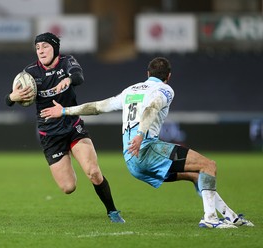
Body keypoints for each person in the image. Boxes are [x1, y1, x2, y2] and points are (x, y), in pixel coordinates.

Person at [40, 57, 254, 228]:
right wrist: (141, 134)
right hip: (147, 149)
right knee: (209, 165)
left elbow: (97, 107)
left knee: (197, 174)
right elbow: (152, 108)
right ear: (168, 76)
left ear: (147, 74)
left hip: (132, 161)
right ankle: (210, 218)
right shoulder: (165, 89)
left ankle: (230, 217)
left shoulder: (131, 90)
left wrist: (65, 110)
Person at [5, 32, 125, 223]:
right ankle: (66, 160)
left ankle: (112, 211)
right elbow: (10, 99)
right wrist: (13, 97)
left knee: (93, 172)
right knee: (68, 187)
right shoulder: (29, 73)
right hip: (50, 135)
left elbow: (78, 76)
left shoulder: (67, 62)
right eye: (37, 48)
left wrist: (68, 80)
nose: (41, 51)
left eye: (45, 46)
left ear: (55, 48)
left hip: (72, 127)